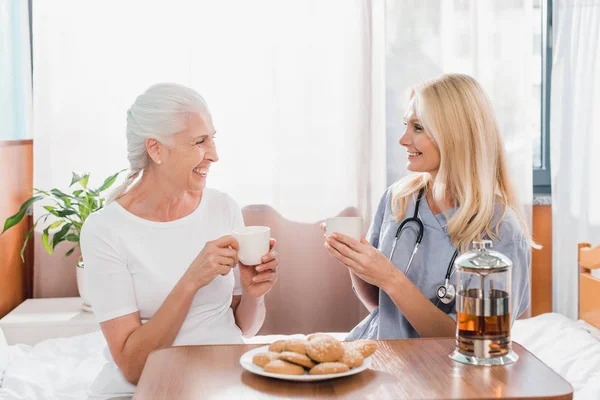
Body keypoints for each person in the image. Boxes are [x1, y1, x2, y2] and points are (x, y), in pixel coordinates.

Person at [80, 83, 279, 385]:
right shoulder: (105, 230)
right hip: (158, 381)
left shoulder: (222, 207)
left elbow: (244, 329)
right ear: (156, 148)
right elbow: (133, 367)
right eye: (199, 142)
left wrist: (253, 296)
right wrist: (191, 280)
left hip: (225, 375)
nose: (214, 155)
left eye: (212, 139)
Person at [324, 73, 535, 340]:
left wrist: (391, 277)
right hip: (377, 354)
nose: (403, 139)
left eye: (418, 128)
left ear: (455, 135)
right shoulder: (399, 199)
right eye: (406, 125)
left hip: (442, 374)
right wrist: (355, 260)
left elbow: (476, 343)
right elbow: (382, 307)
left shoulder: (500, 230)